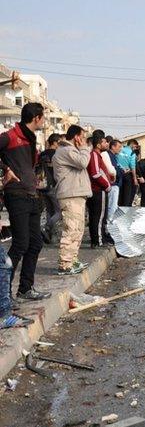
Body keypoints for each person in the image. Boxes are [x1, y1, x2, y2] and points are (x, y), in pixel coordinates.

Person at [0, 102, 51, 301]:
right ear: (36, 118)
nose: (44, 121)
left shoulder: (30, 139)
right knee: (20, 244)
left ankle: (25, 288)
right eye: (43, 117)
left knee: (35, 243)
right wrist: (5, 169)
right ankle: (4, 294)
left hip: (31, 195)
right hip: (16, 195)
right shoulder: (11, 136)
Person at [52, 125, 92, 275]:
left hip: (76, 194)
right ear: (76, 137)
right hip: (70, 195)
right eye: (82, 136)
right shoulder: (66, 150)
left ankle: (72, 260)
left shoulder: (70, 151)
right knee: (71, 230)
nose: (83, 140)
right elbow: (83, 162)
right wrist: (84, 148)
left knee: (78, 230)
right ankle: (65, 264)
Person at [86, 131, 112, 247]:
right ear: (98, 144)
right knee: (99, 217)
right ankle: (98, 241)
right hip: (98, 190)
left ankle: (96, 241)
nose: (106, 144)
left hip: (96, 190)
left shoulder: (96, 155)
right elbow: (95, 173)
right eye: (104, 142)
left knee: (95, 217)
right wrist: (107, 185)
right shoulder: (95, 155)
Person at [38, 133, 61, 244]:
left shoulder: (42, 154)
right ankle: (46, 227)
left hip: (42, 185)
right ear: (55, 142)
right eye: (59, 142)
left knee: (49, 210)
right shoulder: (57, 154)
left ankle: (49, 236)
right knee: (59, 212)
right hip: (53, 185)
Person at [117, 139, 138, 208]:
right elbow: (133, 166)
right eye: (135, 146)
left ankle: (118, 211)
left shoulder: (119, 150)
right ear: (132, 144)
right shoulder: (132, 153)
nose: (135, 148)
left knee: (119, 195)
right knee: (127, 196)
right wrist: (135, 178)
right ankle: (125, 213)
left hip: (118, 174)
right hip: (127, 175)